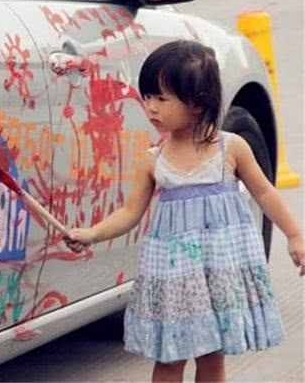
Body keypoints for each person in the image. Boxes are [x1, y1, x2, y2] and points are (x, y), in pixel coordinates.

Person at [64, 39, 305, 383]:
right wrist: (91, 233)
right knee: (169, 359)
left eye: (161, 99)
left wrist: (295, 236)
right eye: (147, 96)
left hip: (219, 271)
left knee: (212, 358)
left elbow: (265, 192)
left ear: (197, 102)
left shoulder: (231, 148)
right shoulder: (153, 160)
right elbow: (129, 212)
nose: (150, 107)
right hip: (175, 277)